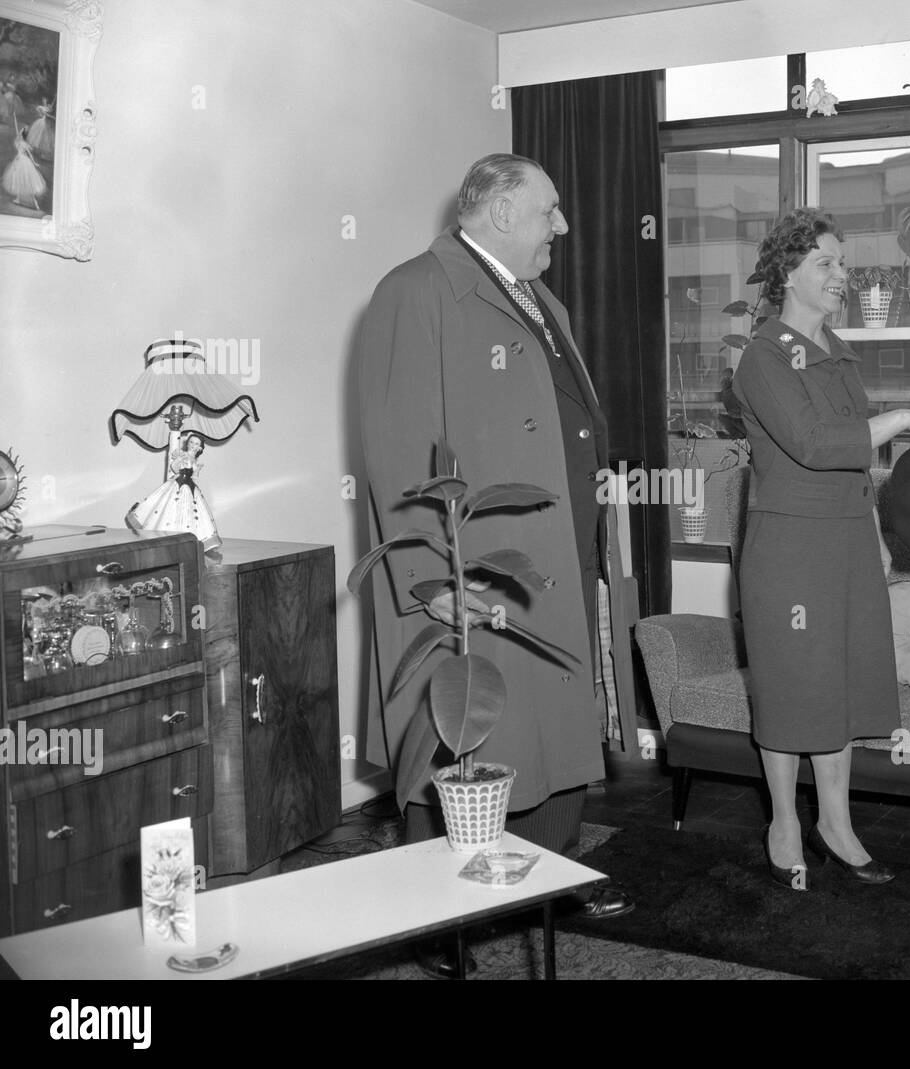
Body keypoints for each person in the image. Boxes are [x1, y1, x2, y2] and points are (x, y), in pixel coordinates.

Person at [357, 154, 637, 972]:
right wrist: (431, 580)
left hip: (552, 553)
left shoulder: (537, 296)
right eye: (550, 210)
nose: (562, 225)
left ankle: (542, 878)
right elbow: (397, 449)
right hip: (478, 568)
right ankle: (437, 920)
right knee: (464, 733)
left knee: (552, 723)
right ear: (503, 212)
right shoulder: (415, 290)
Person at [731, 207, 910, 890]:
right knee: (794, 687)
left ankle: (836, 822)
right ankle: (785, 824)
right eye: (825, 261)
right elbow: (817, 444)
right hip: (790, 550)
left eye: (841, 261)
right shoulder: (763, 355)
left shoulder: (838, 351)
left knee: (842, 688)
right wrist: (905, 417)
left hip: (847, 542)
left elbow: (847, 456)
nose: (841, 274)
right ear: (787, 273)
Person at [125, 431, 221, 551]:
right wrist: (180, 460)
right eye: (191, 442)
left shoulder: (194, 460)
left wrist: (196, 468)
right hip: (178, 483)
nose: (193, 445)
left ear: (200, 447)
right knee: (167, 508)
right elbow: (174, 468)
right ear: (187, 443)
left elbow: (195, 476)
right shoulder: (182, 455)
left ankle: (188, 539)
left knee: (190, 511)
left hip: (190, 487)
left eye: (196, 444)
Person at [2, 126, 46, 210]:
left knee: (26, 181)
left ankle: (35, 204)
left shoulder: (19, 143)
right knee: (19, 180)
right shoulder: (21, 143)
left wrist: (35, 163)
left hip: (22, 161)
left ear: (22, 135)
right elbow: (29, 154)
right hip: (19, 160)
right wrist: (34, 163)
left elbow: (29, 154)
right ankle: (18, 199)